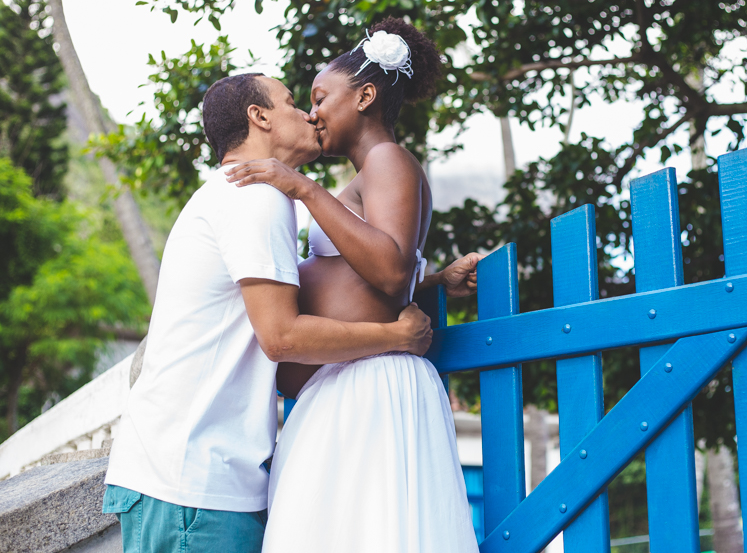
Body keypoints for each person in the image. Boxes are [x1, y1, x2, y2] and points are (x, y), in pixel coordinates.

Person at [100, 70, 471, 552]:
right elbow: (282, 336)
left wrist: (432, 279)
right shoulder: (252, 199)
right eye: (295, 102)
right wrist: (397, 337)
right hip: (192, 484)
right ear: (259, 117)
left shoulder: (255, 197)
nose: (308, 114)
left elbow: (325, 287)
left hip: (199, 478)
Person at [225, 18, 481, 552]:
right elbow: (374, 274)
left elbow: (388, 268)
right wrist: (431, 281)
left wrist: (301, 188)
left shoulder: (389, 160)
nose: (313, 111)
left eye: (320, 97)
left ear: (365, 96)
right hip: (342, 381)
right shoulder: (361, 180)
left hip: (372, 381)